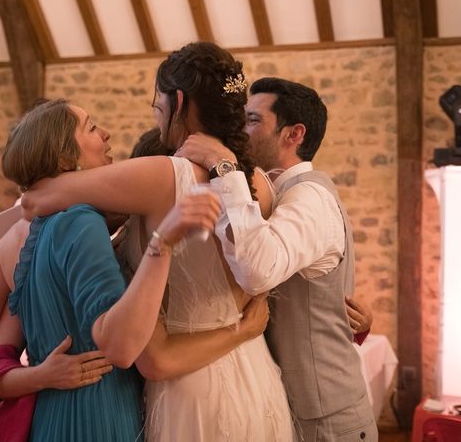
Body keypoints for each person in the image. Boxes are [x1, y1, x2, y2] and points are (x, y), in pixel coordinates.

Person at [21, 43, 296, 441]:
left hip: (190, 385)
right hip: (255, 372)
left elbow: (38, 196)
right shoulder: (258, 185)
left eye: (157, 104)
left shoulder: (164, 176)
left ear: (178, 101)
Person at [176, 77, 378, 441]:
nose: (240, 129)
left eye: (253, 120)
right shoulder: (276, 194)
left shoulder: (310, 198)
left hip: (326, 420)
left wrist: (225, 167)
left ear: (293, 134)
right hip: (284, 408)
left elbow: (257, 270)